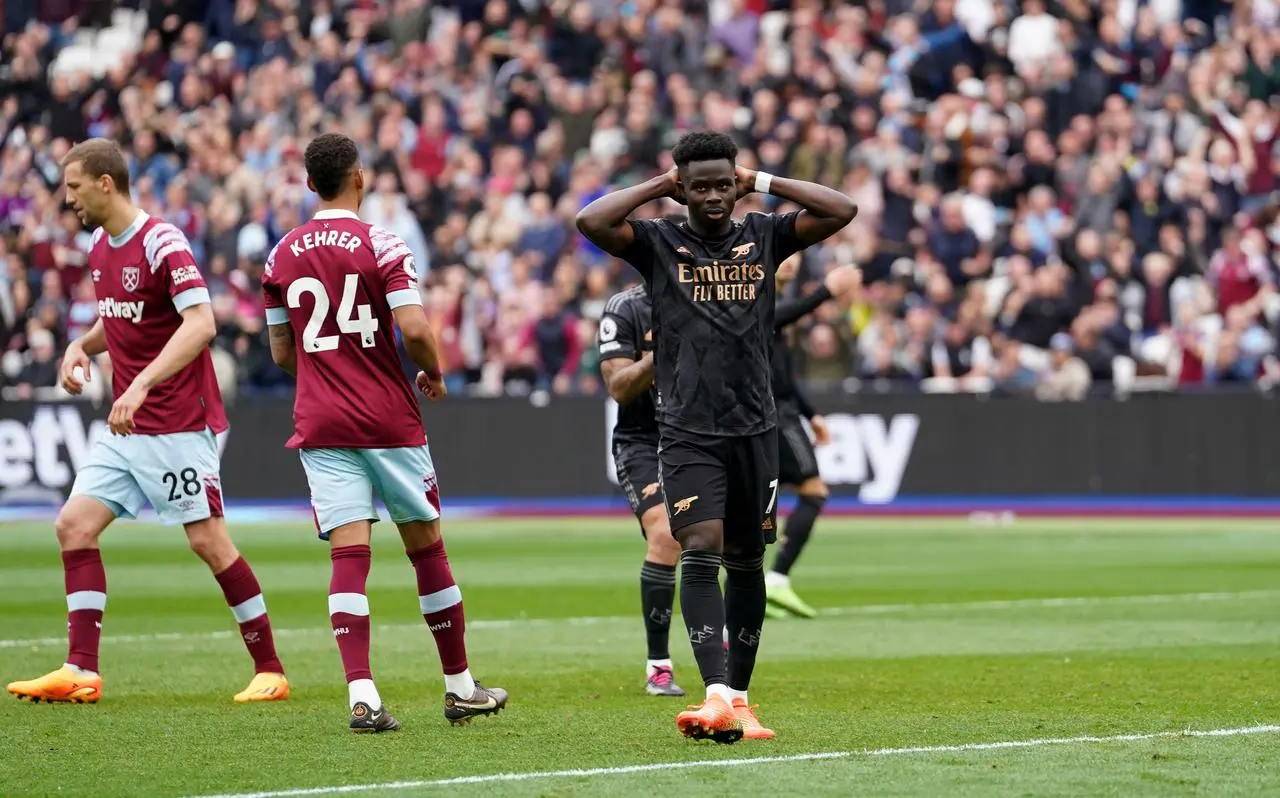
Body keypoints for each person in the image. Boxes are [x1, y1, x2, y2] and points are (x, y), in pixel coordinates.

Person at [577, 131, 856, 742]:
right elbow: (590, 219)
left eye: (721, 184)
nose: (710, 197)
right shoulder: (657, 242)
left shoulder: (764, 235)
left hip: (755, 428)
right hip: (685, 431)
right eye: (697, 186)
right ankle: (715, 695)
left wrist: (762, 181)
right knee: (699, 549)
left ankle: (742, 698)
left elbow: (841, 209)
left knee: (748, 561)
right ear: (680, 190)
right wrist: (659, 185)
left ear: (736, 184)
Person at [6, 138, 288, 705]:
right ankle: (81, 668)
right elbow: (121, 320)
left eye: (75, 188)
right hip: (127, 426)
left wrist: (139, 383)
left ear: (105, 183)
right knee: (73, 527)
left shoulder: (162, 242)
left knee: (208, 541)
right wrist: (80, 346)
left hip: (179, 422)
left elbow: (201, 322)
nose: (69, 200)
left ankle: (271, 670)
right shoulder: (98, 245)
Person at [261, 133, 507, 732]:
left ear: (310, 184)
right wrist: (433, 369)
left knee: (350, 555)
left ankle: (362, 696)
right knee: (427, 548)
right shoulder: (383, 242)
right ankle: (459, 687)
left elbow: (279, 351)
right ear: (359, 178)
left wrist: (326, 374)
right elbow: (416, 328)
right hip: (387, 421)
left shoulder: (281, 255)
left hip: (320, 422)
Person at [598, 284, 685, 698]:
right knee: (666, 535)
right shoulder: (626, 308)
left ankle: (716, 646)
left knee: (715, 539)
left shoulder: (705, 293)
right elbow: (618, 386)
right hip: (642, 442)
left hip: (698, 436)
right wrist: (662, 350)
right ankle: (659, 667)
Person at [766, 257, 862, 618]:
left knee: (761, 500)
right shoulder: (758, 298)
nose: (790, 261)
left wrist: (812, 415)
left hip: (778, 412)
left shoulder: (779, 304)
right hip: (773, 416)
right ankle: (775, 579)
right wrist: (826, 292)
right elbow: (769, 319)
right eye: (783, 253)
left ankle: (758, 583)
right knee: (813, 490)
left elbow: (784, 375)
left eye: (795, 255)